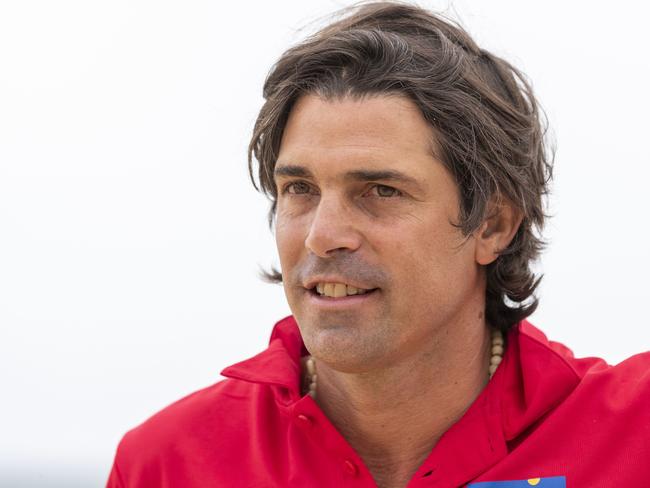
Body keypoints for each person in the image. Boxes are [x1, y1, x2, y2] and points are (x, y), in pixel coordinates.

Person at [106, 2, 650, 487]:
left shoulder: (634, 434)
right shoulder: (167, 465)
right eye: (300, 189)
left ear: (493, 225)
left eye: (381, 191)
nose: (323, 233)